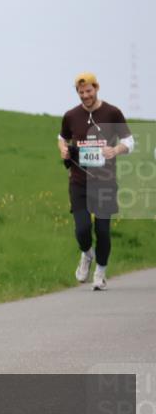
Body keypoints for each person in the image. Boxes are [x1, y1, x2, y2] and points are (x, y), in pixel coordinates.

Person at [57, 72, 134, 290]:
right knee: (82, 229)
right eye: (81, 92)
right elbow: (62, 138)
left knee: (102, 230)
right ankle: (87, 254)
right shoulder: (71, 116)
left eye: (88, 91)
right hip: (79, 181)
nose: (85, 96)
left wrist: (115, 149)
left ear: (96, 88)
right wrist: (63, 150)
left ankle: (100, 273)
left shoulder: (112, 112)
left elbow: (130, 142)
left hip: (105, 182)